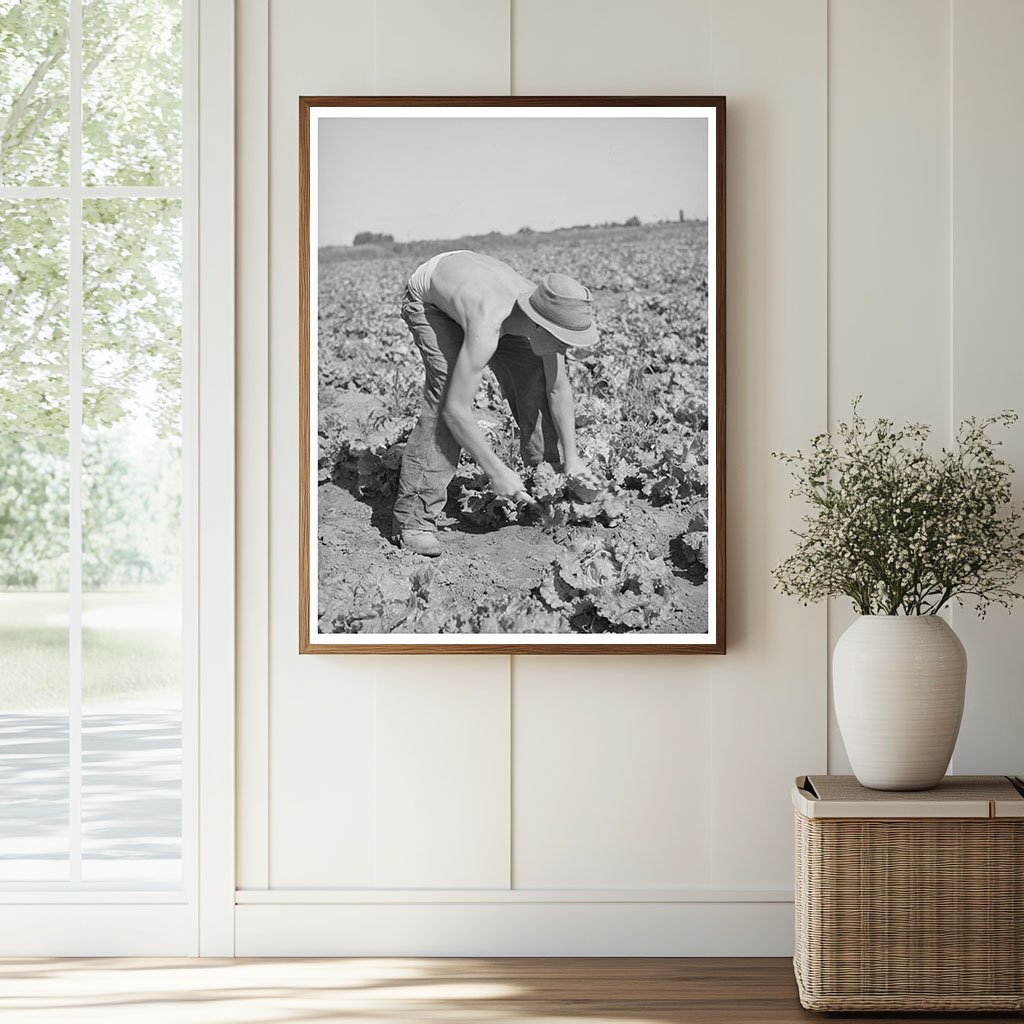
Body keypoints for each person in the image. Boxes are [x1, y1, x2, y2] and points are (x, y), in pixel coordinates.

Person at [391, 250, 599, 557]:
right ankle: (414, 519)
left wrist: (573, 458)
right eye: (563, 340)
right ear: (540, 326)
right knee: (446, 391)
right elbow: (455, 409)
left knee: (537, 379)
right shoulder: (489, 317)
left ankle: (548, 488)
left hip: (490, 296)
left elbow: (558, 388)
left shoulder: (549, 311)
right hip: (432, 300)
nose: (565, 348)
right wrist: (496, 470)